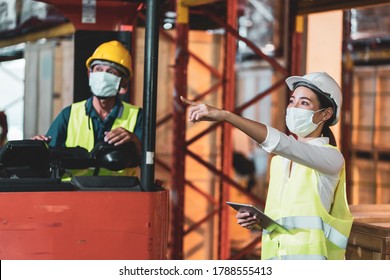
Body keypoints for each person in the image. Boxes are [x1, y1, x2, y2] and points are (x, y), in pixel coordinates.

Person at [181, 72, 353, 260]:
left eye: (304, 103)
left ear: (326, 113)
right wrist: (258, 220)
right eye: (292, 101)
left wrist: (227, 116)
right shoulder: (280, 162)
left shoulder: (331, 158)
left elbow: (283, 144)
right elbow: (287, 218)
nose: (294, 108)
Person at [32, 40, 142, 176]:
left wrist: (135, 140)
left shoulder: (137, 116)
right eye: (99, 69)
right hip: (75, 193)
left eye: (111, 72)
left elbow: (146, 159)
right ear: (90, 74)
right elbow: (48, 159)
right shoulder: (69, 114)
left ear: (123, 80)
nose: (103, 76)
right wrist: (37, 148)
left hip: (119, 193)